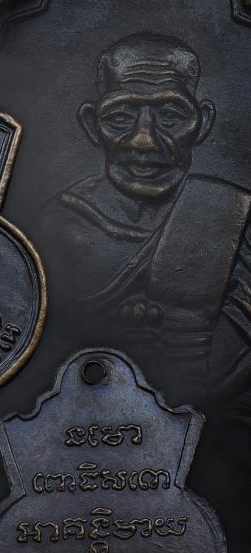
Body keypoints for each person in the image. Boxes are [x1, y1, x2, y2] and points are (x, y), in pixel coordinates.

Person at [38, 33, 251, 402]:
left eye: (171, 116)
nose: (144, 141)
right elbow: (34, 352)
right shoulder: (57, 226)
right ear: (91, 124)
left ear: (202, 122)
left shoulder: (231, 216)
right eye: (120, 117)